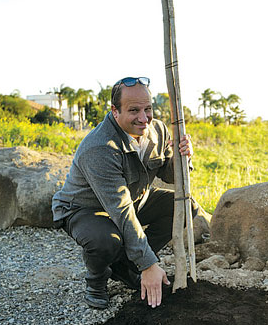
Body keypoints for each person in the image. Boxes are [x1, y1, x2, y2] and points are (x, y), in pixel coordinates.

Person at [51, 76, 207, 309]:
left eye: (148, 109)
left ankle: (125, 266)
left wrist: (181, 158)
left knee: (185, 206)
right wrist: (149, 265)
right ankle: (96, 281)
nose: (144, 118)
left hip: (135, 199)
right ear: (115, 111)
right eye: (134, 110)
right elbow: (121, 211)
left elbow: (170, 176)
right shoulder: (100, 147)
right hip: (86, 209)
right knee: (106, 240)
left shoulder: (158, 130)